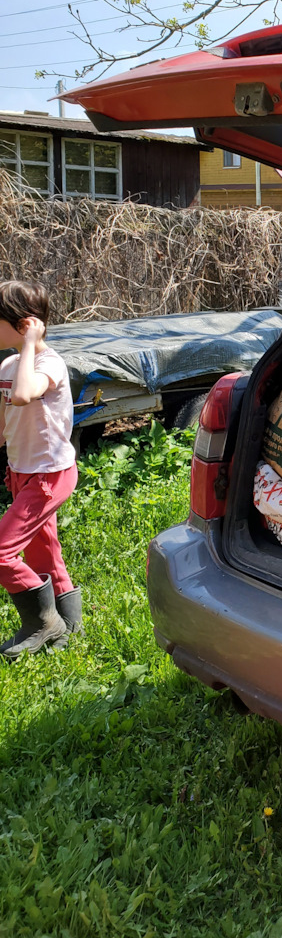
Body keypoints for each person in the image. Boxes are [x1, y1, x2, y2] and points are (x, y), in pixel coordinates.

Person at [0, 281, 81, 659]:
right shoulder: (9, 364)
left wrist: (31, 343)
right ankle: (69, 626)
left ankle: (42, 622)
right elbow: (6, 417)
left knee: (2, 553)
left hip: (49, 474)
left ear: (25, 325)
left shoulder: (49, 363)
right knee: (44, 551)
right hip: (22, 471)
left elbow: (22, 395)